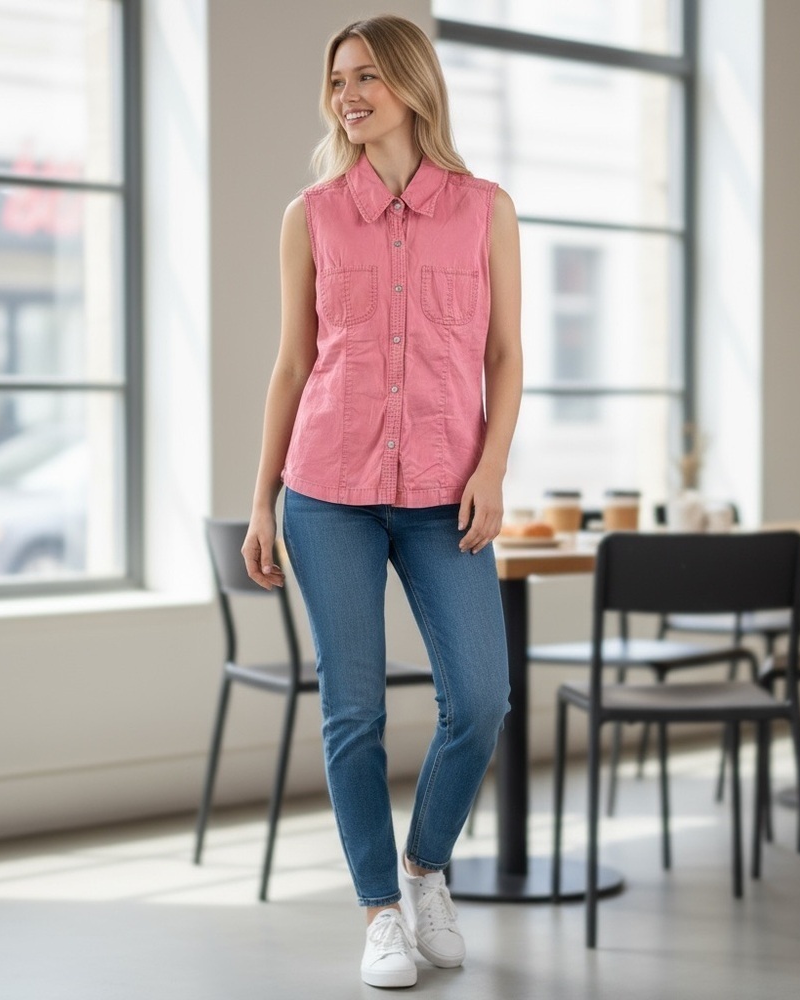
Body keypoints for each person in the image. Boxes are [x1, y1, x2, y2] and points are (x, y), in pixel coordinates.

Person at [242, 14, 522, 990]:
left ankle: (422, 868)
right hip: (328, 489)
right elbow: (290, 364)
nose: (348, 94)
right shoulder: (310, 215)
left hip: (448, 489)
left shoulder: (484, 208)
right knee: (352, 710)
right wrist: (261, 497)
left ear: (410, 83)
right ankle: (379, 914)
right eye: (338, 80)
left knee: (479, 698)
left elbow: (504, 355)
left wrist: (491, 469)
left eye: (366, 75)